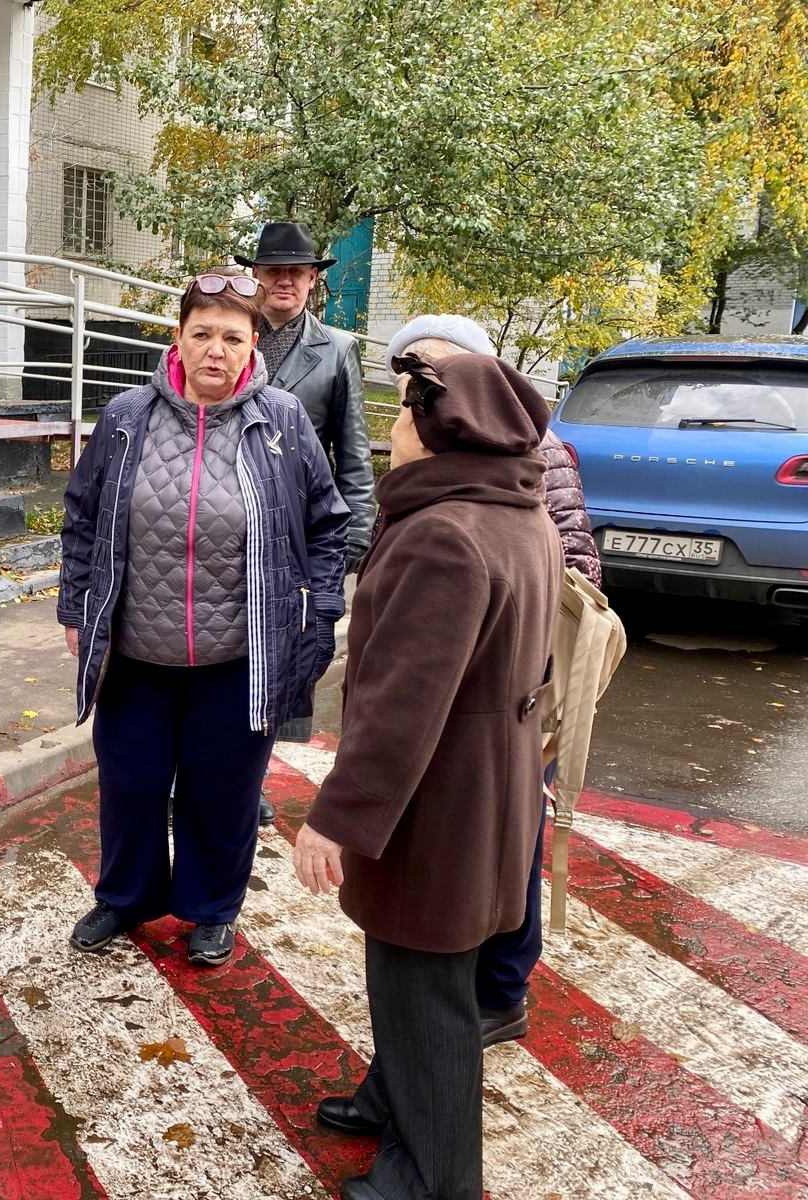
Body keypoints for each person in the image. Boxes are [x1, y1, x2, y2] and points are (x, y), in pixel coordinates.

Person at [291, 350, 561, 1200]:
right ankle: (391, 1097)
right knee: (423, 979)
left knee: (425, 988)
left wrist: (337, 816)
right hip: (489, 790)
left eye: (405, 410)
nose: (393, 425)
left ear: (444, 431)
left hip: (436, 804)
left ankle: (431, 1177)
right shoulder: (518, 513)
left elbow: (405, 703)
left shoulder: (445, 535)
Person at [59, 267, 351, 968]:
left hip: (240, 656)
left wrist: (319, 610)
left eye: (231, 336)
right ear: (178, 338)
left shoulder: (280, 421)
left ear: (254, 343)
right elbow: (82, 515)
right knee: (130, 784)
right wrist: (75, 606)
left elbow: (327, 524)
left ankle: (212, 908)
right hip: (137, 655)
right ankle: (126, 897)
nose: (215, 350)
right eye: (202, 334)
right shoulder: (128, 418)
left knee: (221, 792)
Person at [381, 315, 602, 1050]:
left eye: (431, 372)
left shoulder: (531, 453)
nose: (417, 392)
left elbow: (571, 560)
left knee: (507, 837)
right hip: (486, 684)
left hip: (513, 686)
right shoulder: (438, 467)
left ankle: (500, 991)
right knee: (478, 848)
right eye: (408, 377)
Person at [235, 221, 375, 822]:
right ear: (258, 278)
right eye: (273, 270)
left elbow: (355, 453)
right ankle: (197, 771)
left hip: (296, 532)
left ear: (314, 280)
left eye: (297, 271)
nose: (284, 280)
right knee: (217, 652)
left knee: (280, 659)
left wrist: (355, 543)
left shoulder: (337, 349)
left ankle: (251, 778)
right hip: (225, 522)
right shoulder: (231, 335)